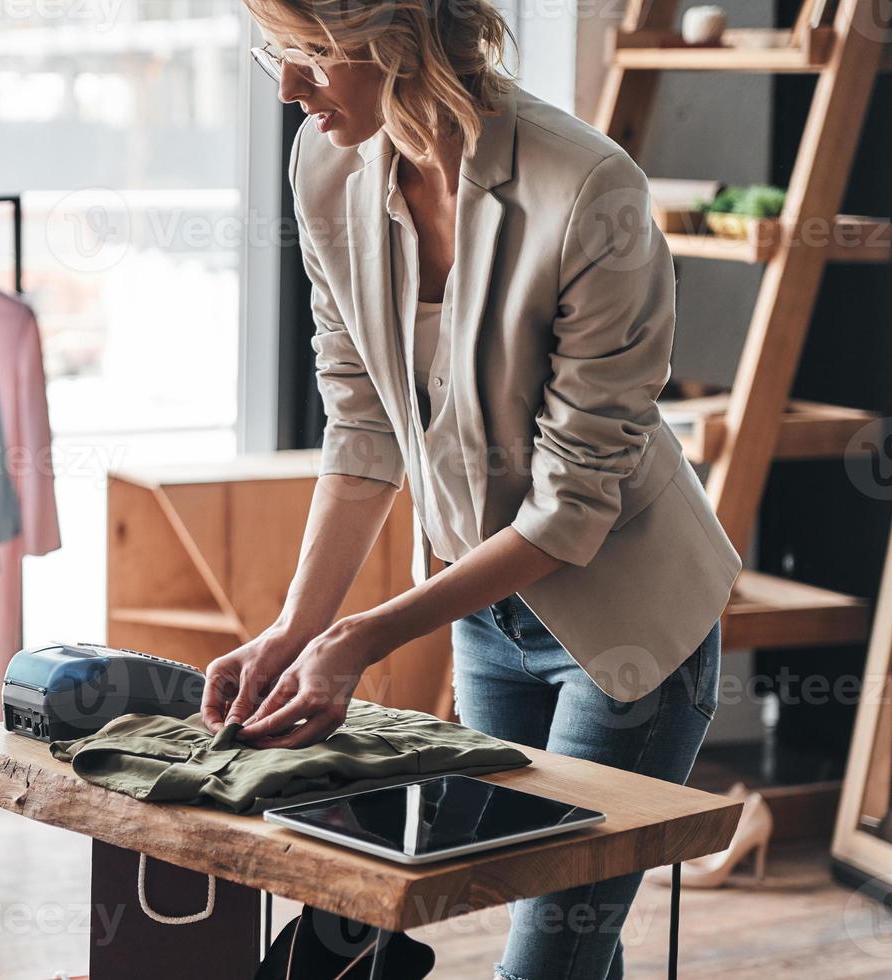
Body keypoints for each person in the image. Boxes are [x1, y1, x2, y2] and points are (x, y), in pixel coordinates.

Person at [201, 1, 742, 977]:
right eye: (276, 53)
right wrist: (297, 628)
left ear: (401, 35)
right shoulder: (327, 166)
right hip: (481, 612)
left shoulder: (589, 188)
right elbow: (362, 420)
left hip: (625, 629)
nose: (287, 89)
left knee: (547, 952)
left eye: (313, 55)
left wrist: (359, 638)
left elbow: (571, 505)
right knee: (548, 925)